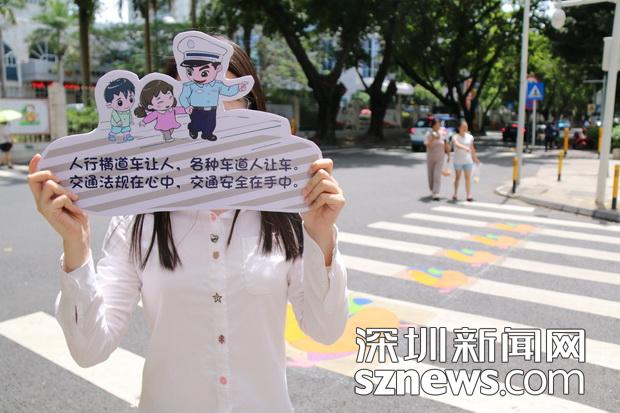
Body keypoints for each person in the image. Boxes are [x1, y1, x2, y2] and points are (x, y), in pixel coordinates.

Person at [27, 37, 348, 413]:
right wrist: (76, 244)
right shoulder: (137, 220)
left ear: (253, 109)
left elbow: (326, 330)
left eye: (228, 103)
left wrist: (321, 235)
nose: (215, 115)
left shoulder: (283, 215)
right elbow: (89, 348)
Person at [451, 120, 480, 202]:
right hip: (458, 161)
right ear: (459, 128)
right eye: (463, 127)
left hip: (468, 160)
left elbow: (472, 148)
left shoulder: (470, 137)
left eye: (466, 127)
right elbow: (457, 144)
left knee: (468, 178)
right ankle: (455, 193)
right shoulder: (455, 137)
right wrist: (465, 147)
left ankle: (468, 195)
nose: (465, 128)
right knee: (458, 177)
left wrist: (475, 158)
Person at [424, 118, 450, 200]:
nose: (438, 125)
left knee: (437, 175)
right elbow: (428, 145)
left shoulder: (443, 133)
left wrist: (448, 154)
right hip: (431, 157)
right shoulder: (428, 134)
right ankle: (432, 189)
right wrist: (433, 138)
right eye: (437, 124)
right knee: (430, 175)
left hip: (440, 157)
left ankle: (436, 192)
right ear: (433, 125)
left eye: (439, 124)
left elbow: (446, 143)